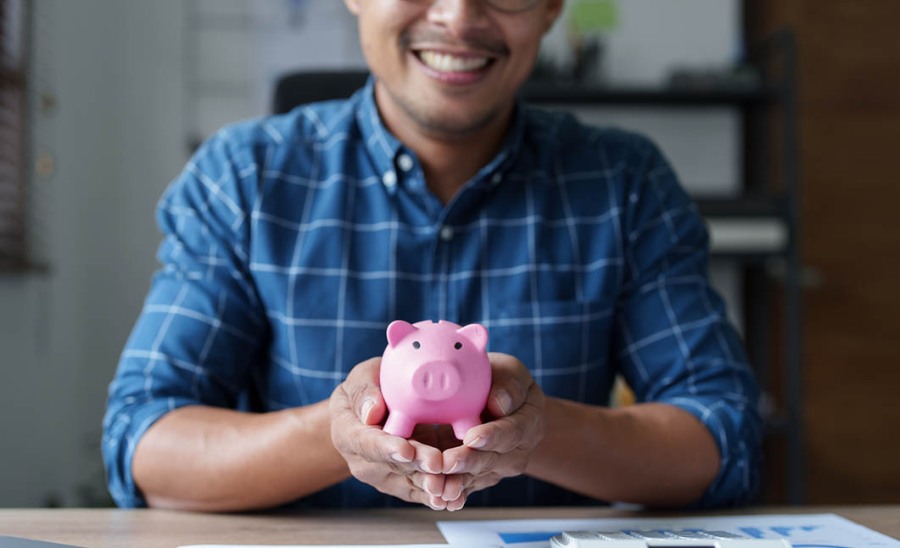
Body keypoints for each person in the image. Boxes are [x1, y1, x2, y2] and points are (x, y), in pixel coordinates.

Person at [103, 0, 761, 513]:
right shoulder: (242, 178)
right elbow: (145, 440)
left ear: (553, 8)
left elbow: (721, 437)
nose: (459, 18)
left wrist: (535, 429)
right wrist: (342, 432)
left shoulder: (625, 183)